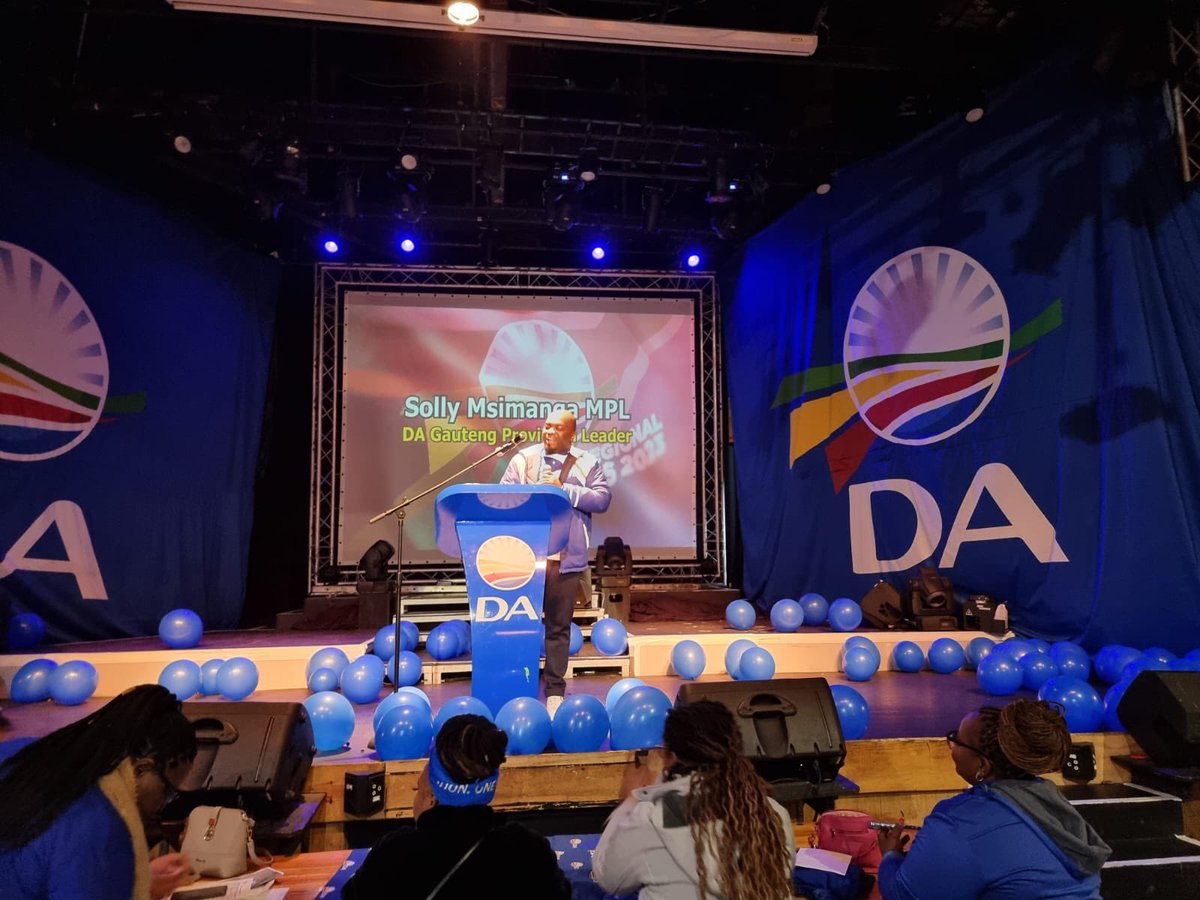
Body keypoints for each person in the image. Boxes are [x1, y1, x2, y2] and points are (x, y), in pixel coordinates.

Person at [878, 698, 1111, 899]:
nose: (951, 746)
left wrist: (890, 856)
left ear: (982, 765)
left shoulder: (959, 823)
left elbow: (903, 894)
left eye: (956, 740)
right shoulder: (1052, 801)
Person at [0, 684, 198, 900]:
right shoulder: (100, 823)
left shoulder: (22, 755)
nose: (163, 803)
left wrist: (136, 879)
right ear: (142, 768)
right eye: (168, 790)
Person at [342, 714, 570, 899]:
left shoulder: (394, 854)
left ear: (431, 790)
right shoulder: (528, 850)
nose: (416, 783)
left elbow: (352, 895)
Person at [593, 699, 796, 900]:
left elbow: (608, 878)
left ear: (672, 757)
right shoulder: (774, 814)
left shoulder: (650, 817)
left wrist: (630, 804)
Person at [501, 407, 612, 717]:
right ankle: (517, 688)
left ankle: (554, 692)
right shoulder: (523, 460)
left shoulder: (588, 462)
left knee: (558, 628)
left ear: (571, 434)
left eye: (555, 428)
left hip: (566, 559)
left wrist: (565, 490)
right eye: (545, 426)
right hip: (526, 559)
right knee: (520, 625)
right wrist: (533, 492)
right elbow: (504, 498)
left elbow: (602, 499)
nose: (547, 431)